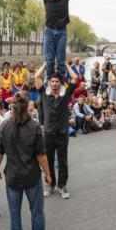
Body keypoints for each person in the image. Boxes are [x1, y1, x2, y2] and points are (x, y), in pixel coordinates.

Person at [0, 91, 53, 230]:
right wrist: (48, 174)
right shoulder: (34, 127)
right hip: (31, 176)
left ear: (11, 107)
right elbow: (41, 156)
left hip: (12, 177)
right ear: (28, 106)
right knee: (37, 213)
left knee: (15, 215)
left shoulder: (4, 126)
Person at [35, 61, 78, 199]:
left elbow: (75, 78)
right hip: (48, 133)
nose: (54, 83)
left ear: (60, 83)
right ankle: (50, 185)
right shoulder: (44, 95)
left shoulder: (65, 96)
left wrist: (65, 65)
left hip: (62, 133)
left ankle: (62, 186)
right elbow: (37, 77)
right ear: (49, 83)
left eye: (57, 81)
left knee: (63, 161)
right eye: (52, 81)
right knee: (48, 161)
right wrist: (46, 64)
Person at [33, 0, 79, 80]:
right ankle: (50, 82)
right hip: (49, 31)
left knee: (61, 61)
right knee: (49, 61)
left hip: (61, 32)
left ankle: (61, 83)